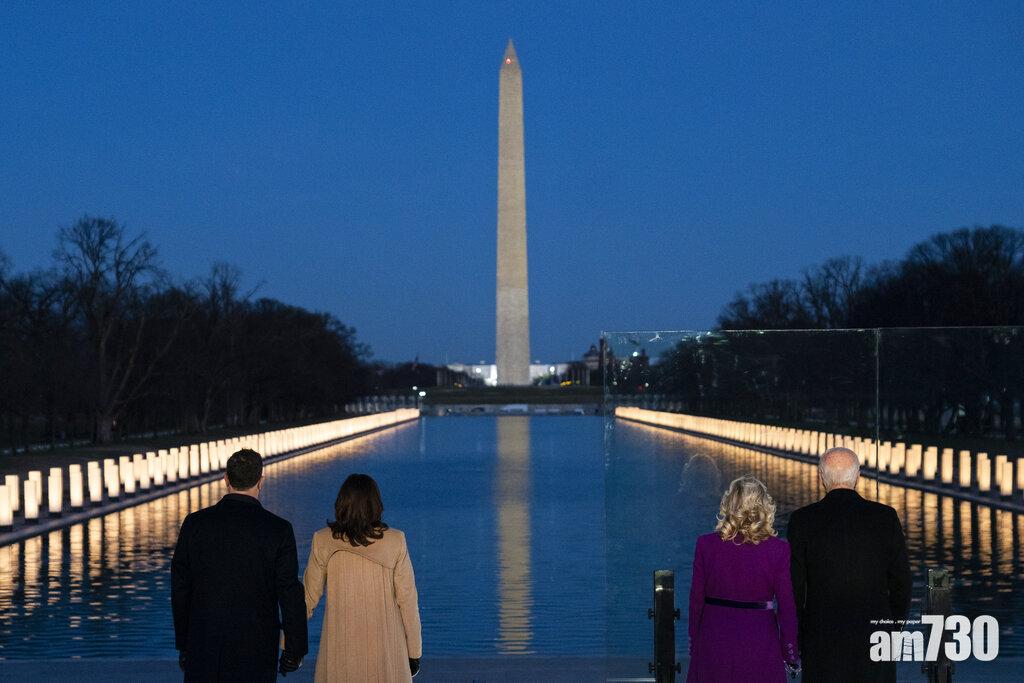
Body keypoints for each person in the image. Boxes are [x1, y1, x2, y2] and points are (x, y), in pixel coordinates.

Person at [171, 449, 308, 681]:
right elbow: (289, 592)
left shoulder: (195, 524)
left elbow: (181, 588)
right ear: (261, 481)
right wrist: (294, 650)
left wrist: (184, 644)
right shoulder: (278, 529)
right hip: (256, 647)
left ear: (226, 479)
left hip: (204, 644)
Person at [787, 447, 912, 682]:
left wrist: (799, 637)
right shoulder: (885, 518)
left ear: (821, 476)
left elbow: (795, 588)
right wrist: (891, 629)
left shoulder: (802, 520)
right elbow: (902, 584)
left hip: (821, 640)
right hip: (874, 638)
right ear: (858, 476)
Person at [304, 473, 422, 682]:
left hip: (340, 650)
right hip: (386, 651)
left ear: (341, 503)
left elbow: (307, 599)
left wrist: (289, 645)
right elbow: (408, 601)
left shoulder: (323, 541)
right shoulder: (395, 541)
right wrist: (414, 652)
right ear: (376, 504)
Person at [686, 476, 799, 682]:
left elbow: (696, 600)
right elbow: (787, 606)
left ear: (729, 504)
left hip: (714, 636)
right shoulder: (778, 550)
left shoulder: (706, 545)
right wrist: (790, 652)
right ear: (764, 507)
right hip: (759, 639)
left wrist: (695, 640)